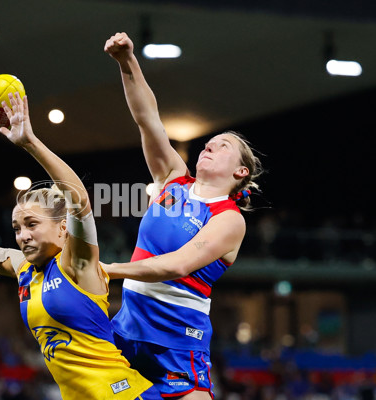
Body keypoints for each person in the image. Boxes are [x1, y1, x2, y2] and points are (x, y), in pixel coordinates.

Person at [0, 92, 161, 400]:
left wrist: (29, 142)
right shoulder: (24, 269)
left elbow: (77, 201)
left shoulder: (77, 264)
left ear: (62, 228)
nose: (22, 235)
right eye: (16, 228)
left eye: (31, 225)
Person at [103, 32, 264, 399]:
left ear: (240, 173)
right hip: (126, 331)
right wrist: (127, 61)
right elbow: (147, 119)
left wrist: (106, 269)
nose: (211, 145)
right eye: (211, 141)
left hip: (176, 343)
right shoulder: (172, 179)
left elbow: (176, 265)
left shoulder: (229, 219)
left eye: (224, 146)